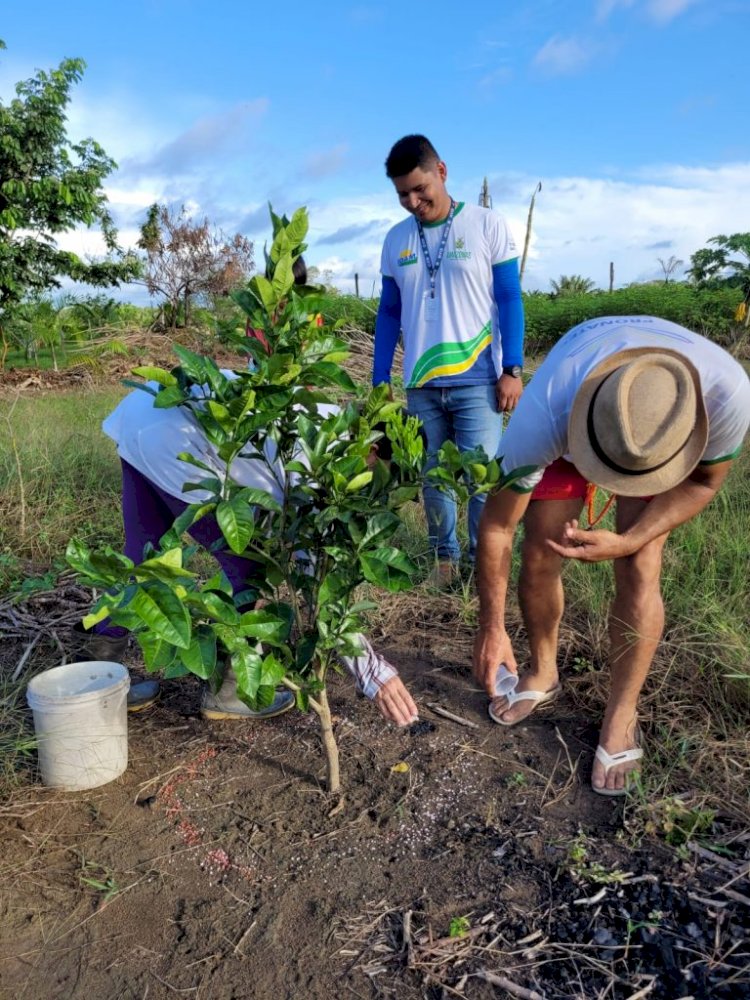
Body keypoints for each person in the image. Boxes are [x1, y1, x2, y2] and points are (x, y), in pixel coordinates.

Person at [472, 315, 750, 796]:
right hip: (581, 404)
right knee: (542, 543)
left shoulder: (727, 396)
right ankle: (542, 669)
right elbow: (499, 526)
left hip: (662, 432)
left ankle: (622, 713)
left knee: (641, 563)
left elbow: (704, 481)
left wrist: (628, 540)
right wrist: (491, 627)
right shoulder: (546, 415)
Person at [76, 382, 420, 728]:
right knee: (251, 569)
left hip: (144, 410)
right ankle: (230, 692)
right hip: (172, 438)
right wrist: (372, 673)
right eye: (383, 477)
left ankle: (96, 679)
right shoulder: (317, 464)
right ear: (372, 449)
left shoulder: (325, 418)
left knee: (142, 558)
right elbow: (318, 582)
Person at [373, 134, 525, 586]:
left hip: (479, 379)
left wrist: (512, 368)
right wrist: (380, 378)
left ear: (441, 171)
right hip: (421, 382)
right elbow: (389, 312)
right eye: (403, 194)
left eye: (420, 189)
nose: (413, 201)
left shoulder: (487, 225)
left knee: (480, 478)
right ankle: (445, 561)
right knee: (433, 478)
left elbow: (509, 296)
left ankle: (482, 563)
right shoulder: (395, 239)